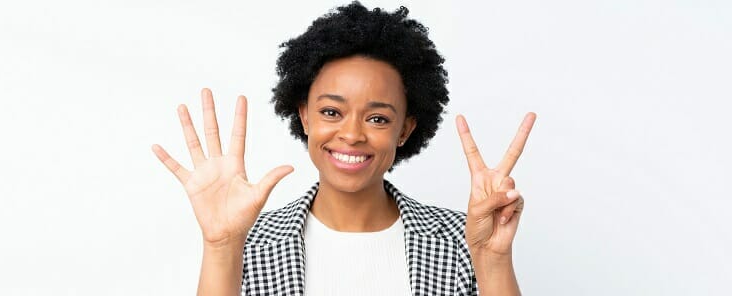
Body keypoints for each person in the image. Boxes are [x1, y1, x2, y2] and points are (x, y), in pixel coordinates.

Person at [152, 2, 535, 295]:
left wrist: (493, 260)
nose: (351, 134)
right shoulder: (249, 244)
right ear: (304, 116)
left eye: (378, 119)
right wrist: (221, 247)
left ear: (406, 129)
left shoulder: (463, 240)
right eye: (332, 111)